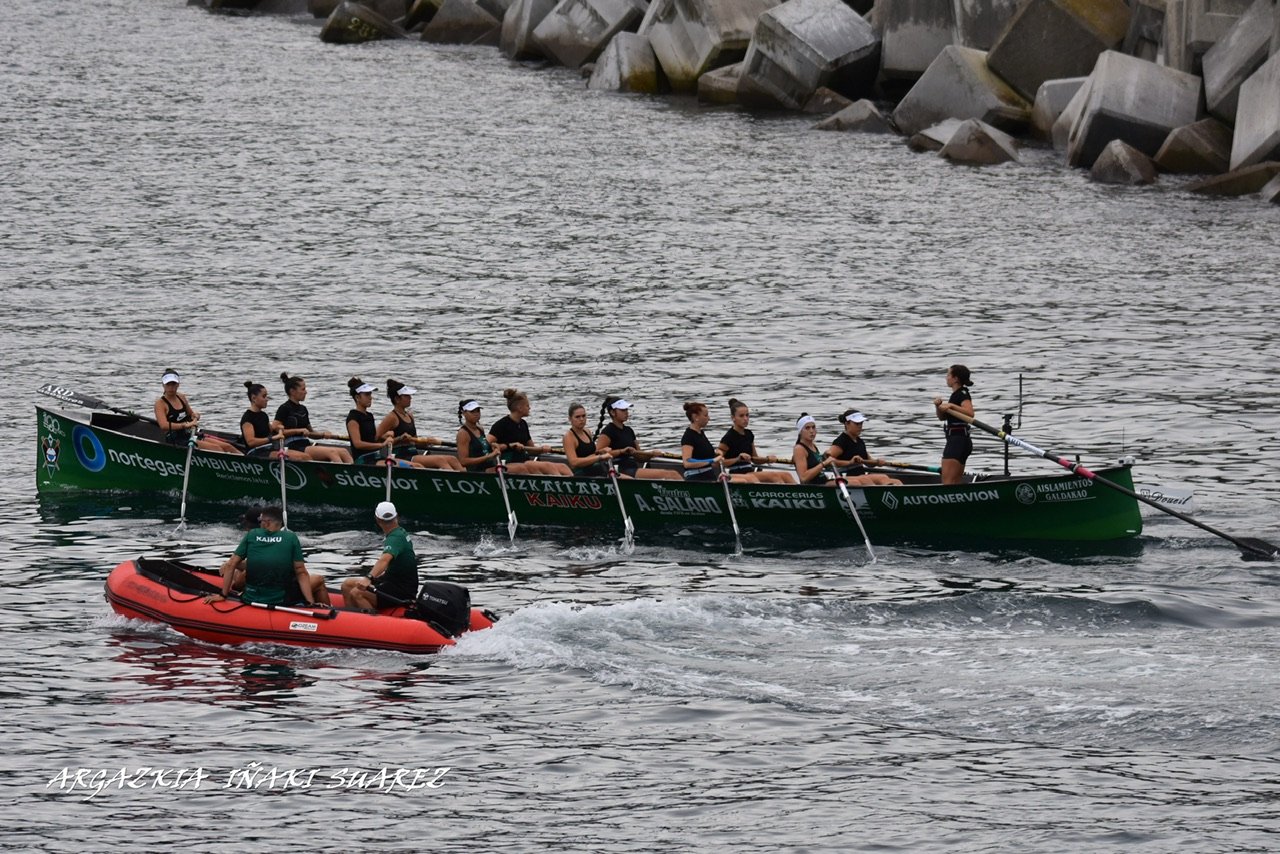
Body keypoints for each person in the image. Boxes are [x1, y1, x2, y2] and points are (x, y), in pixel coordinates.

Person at [204, 506, 330, 606]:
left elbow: (232, 564)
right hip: (280, 599)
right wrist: (310, 603)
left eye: (261, 521)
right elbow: (301, 571)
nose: (260, 524)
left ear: (267, 522)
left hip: (250, 597)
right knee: (318, 580)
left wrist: (223, 595)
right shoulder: (291, 538)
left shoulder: (252, 535)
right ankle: (328, 617)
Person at [341, 501, 419, 612]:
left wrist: (368, 578)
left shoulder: (395, 538)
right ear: (396, 516)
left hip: (402, 590)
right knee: (347, 585)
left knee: (357, 593)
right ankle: (350, 619)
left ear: (377, 520)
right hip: (392, 581)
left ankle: (372, 623)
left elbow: (385, 559)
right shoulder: (400, 532)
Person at [377, 380, 463, 471]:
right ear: (397, 399)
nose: (410, 398)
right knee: (440, 460)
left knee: (452, 459)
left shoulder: (410, 415)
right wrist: (398, 439)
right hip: (401, 455)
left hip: (413, 453)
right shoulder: (391, 417)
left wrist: (426, 441)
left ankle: (466, 479)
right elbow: (376, 438)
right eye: (406, 396)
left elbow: (415, 440)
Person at [153, 369, 241, 454]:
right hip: (176, 439)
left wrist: (195, 415)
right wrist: (185, 425)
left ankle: (248, 463)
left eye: (173, 384)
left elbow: (191, 414)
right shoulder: (160, 403)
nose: (171, 387)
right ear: (163, 385)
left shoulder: (181, 397)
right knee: (216, 449)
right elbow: (164, 425)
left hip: (190, 434)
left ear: (178, 384)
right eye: (168, 384)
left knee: (228, 447)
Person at [489, 388, 572, 476]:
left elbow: (532, 449)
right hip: (509, 461)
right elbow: (487, 445)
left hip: (523, 460)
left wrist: (542, 449)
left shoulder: (523, 424)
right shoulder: (501, 424)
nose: (529, 408)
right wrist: (510, 445)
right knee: (547, 466)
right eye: (527, 406)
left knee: (563, 466)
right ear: (519, 408)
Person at [275, 372, 354, 465]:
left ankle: (352, 474)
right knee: (332, 453)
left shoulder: (303, 409)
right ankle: (341, 475)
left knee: (344, 451)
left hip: (305, 444)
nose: (306, 392)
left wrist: (323, 434)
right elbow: (275, 429)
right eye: (303, 389)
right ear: (292, 391)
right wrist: (297, 431)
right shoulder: (284, 408)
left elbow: (311, 433)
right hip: (291, 446)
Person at [594, 397, 681, 480]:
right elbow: (598, 454)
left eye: (627, 410)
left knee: (673, 473)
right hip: (619, 470)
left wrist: (652, 454)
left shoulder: (629, 430)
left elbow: (639, 456)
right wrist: (621, 451)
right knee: (671, 475)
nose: (626, 412)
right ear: (613, 412)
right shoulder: (608, 431)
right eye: (623, 410)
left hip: (632, 467)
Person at [717, 398, 794, 484]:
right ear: (733, 418)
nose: (745, 419)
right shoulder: (728, 437)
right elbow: (719, 462)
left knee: (786, 475)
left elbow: (755, 459)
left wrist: (768, 459)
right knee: (774, 477)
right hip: (737, 473)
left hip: (750, 471)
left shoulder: (749, 434)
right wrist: (737, 458)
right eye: (741, 416)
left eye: (747, 415)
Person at [825, 409, 902, 486]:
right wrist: (849, 462)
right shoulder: (841, 441)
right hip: (844, 475)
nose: (860, 426)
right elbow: (827, 460)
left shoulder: (860, 441)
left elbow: (869, 463)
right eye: (856, 423)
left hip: (860, 475)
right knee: (865, 480)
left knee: (885, 477)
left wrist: (878, 462)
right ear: (847, 424)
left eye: (861, 423)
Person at [240, 381, 306, 460]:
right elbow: (251, 442)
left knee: (305, 456)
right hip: (256, 452)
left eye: (266, 396)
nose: (267, 399)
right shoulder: (247, 418)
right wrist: (272, 438)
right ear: (254, 398)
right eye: (264, 396)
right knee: (299, 457)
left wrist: (278, 428)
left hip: (269, 449)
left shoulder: (263, 415)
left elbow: (272, 431)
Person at [933, 364, 975, 485]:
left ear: (955, 378)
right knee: (954, 482)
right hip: (959, 441)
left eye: (948, 375)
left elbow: (970, 413)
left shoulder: (962, 393)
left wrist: (951, 405)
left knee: (948, 482)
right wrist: (938, 407)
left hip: (957, 442)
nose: (946, 378)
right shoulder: (955, 395)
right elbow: (942, 418)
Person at [345, 378, 394, 464]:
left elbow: (372, 438)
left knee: (414, 465)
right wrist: (381, 445)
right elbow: (358, 444)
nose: (371, 398)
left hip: (375, 456)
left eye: (370, 394)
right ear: (357, 397)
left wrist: (385, 436)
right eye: (367, 395)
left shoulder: (369, 416)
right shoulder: (353, 418)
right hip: (363, 459)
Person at [562, 402, 611, 477]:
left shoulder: (587, 431)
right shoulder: (568, 437)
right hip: (580, 473)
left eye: (583, 416)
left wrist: (600, 452)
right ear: (570, 419)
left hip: (593, 468)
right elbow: (573, 463)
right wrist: (599, 457)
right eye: (577, 417)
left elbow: (590, 454)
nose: (581, 419)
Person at [455, 399, 505, 472]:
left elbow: (482, 447)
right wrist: (488, 456)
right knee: (517, 469)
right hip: (477, 470)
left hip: (489, 466)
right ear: (464, 413)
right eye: (472, 411)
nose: (476, 414)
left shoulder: (480, 428)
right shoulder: (463, 433)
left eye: (478, 410)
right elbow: (463, 461)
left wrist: (492, 446)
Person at [792, 413, 836, 486]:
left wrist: (824, 457)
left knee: (859, 479)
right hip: (814, 487)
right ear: (800, 432)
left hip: (823, 481)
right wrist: (824, 463)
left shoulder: (813, 446)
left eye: (813, 427)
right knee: (855, 482)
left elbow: (814, 463)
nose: (811, 431)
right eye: (807, 428)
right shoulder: (799, 449)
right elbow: (803, 478)